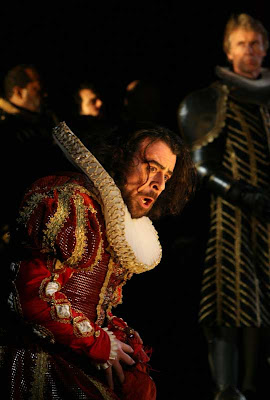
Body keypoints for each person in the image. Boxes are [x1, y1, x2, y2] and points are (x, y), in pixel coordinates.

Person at [0, 120, 196, 399]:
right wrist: (100, 342)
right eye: (151, 168)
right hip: (38, 357)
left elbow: (91, 302)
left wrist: (114, 331)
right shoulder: (73, 200)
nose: (159, 185)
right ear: (120, 156)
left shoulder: (112, 215)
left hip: (74, 353)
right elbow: (32, 297)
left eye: (167, 175)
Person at [178, 13, 270, 400]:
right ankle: (229, 391)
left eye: (255, 43)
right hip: (234, 217)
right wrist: (247, 196)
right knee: (232, 305)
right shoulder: (211, 99)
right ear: (228, 50)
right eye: (242, 44)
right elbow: (201, 167)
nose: (250, 51)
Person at [0, 64, 61, 260]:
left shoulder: (46, 120)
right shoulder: (5, 126)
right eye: (36, 89)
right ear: (18, 91)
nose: (43, 95)